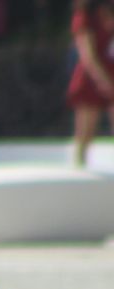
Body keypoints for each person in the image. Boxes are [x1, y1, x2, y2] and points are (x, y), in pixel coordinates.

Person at [70, 1, 114, 166]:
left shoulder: (108, 13)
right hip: (91, 80)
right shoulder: (85, 18)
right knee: (85, 132)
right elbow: (88, 56)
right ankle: (79, 169)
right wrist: (103, 81)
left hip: (112, 73)